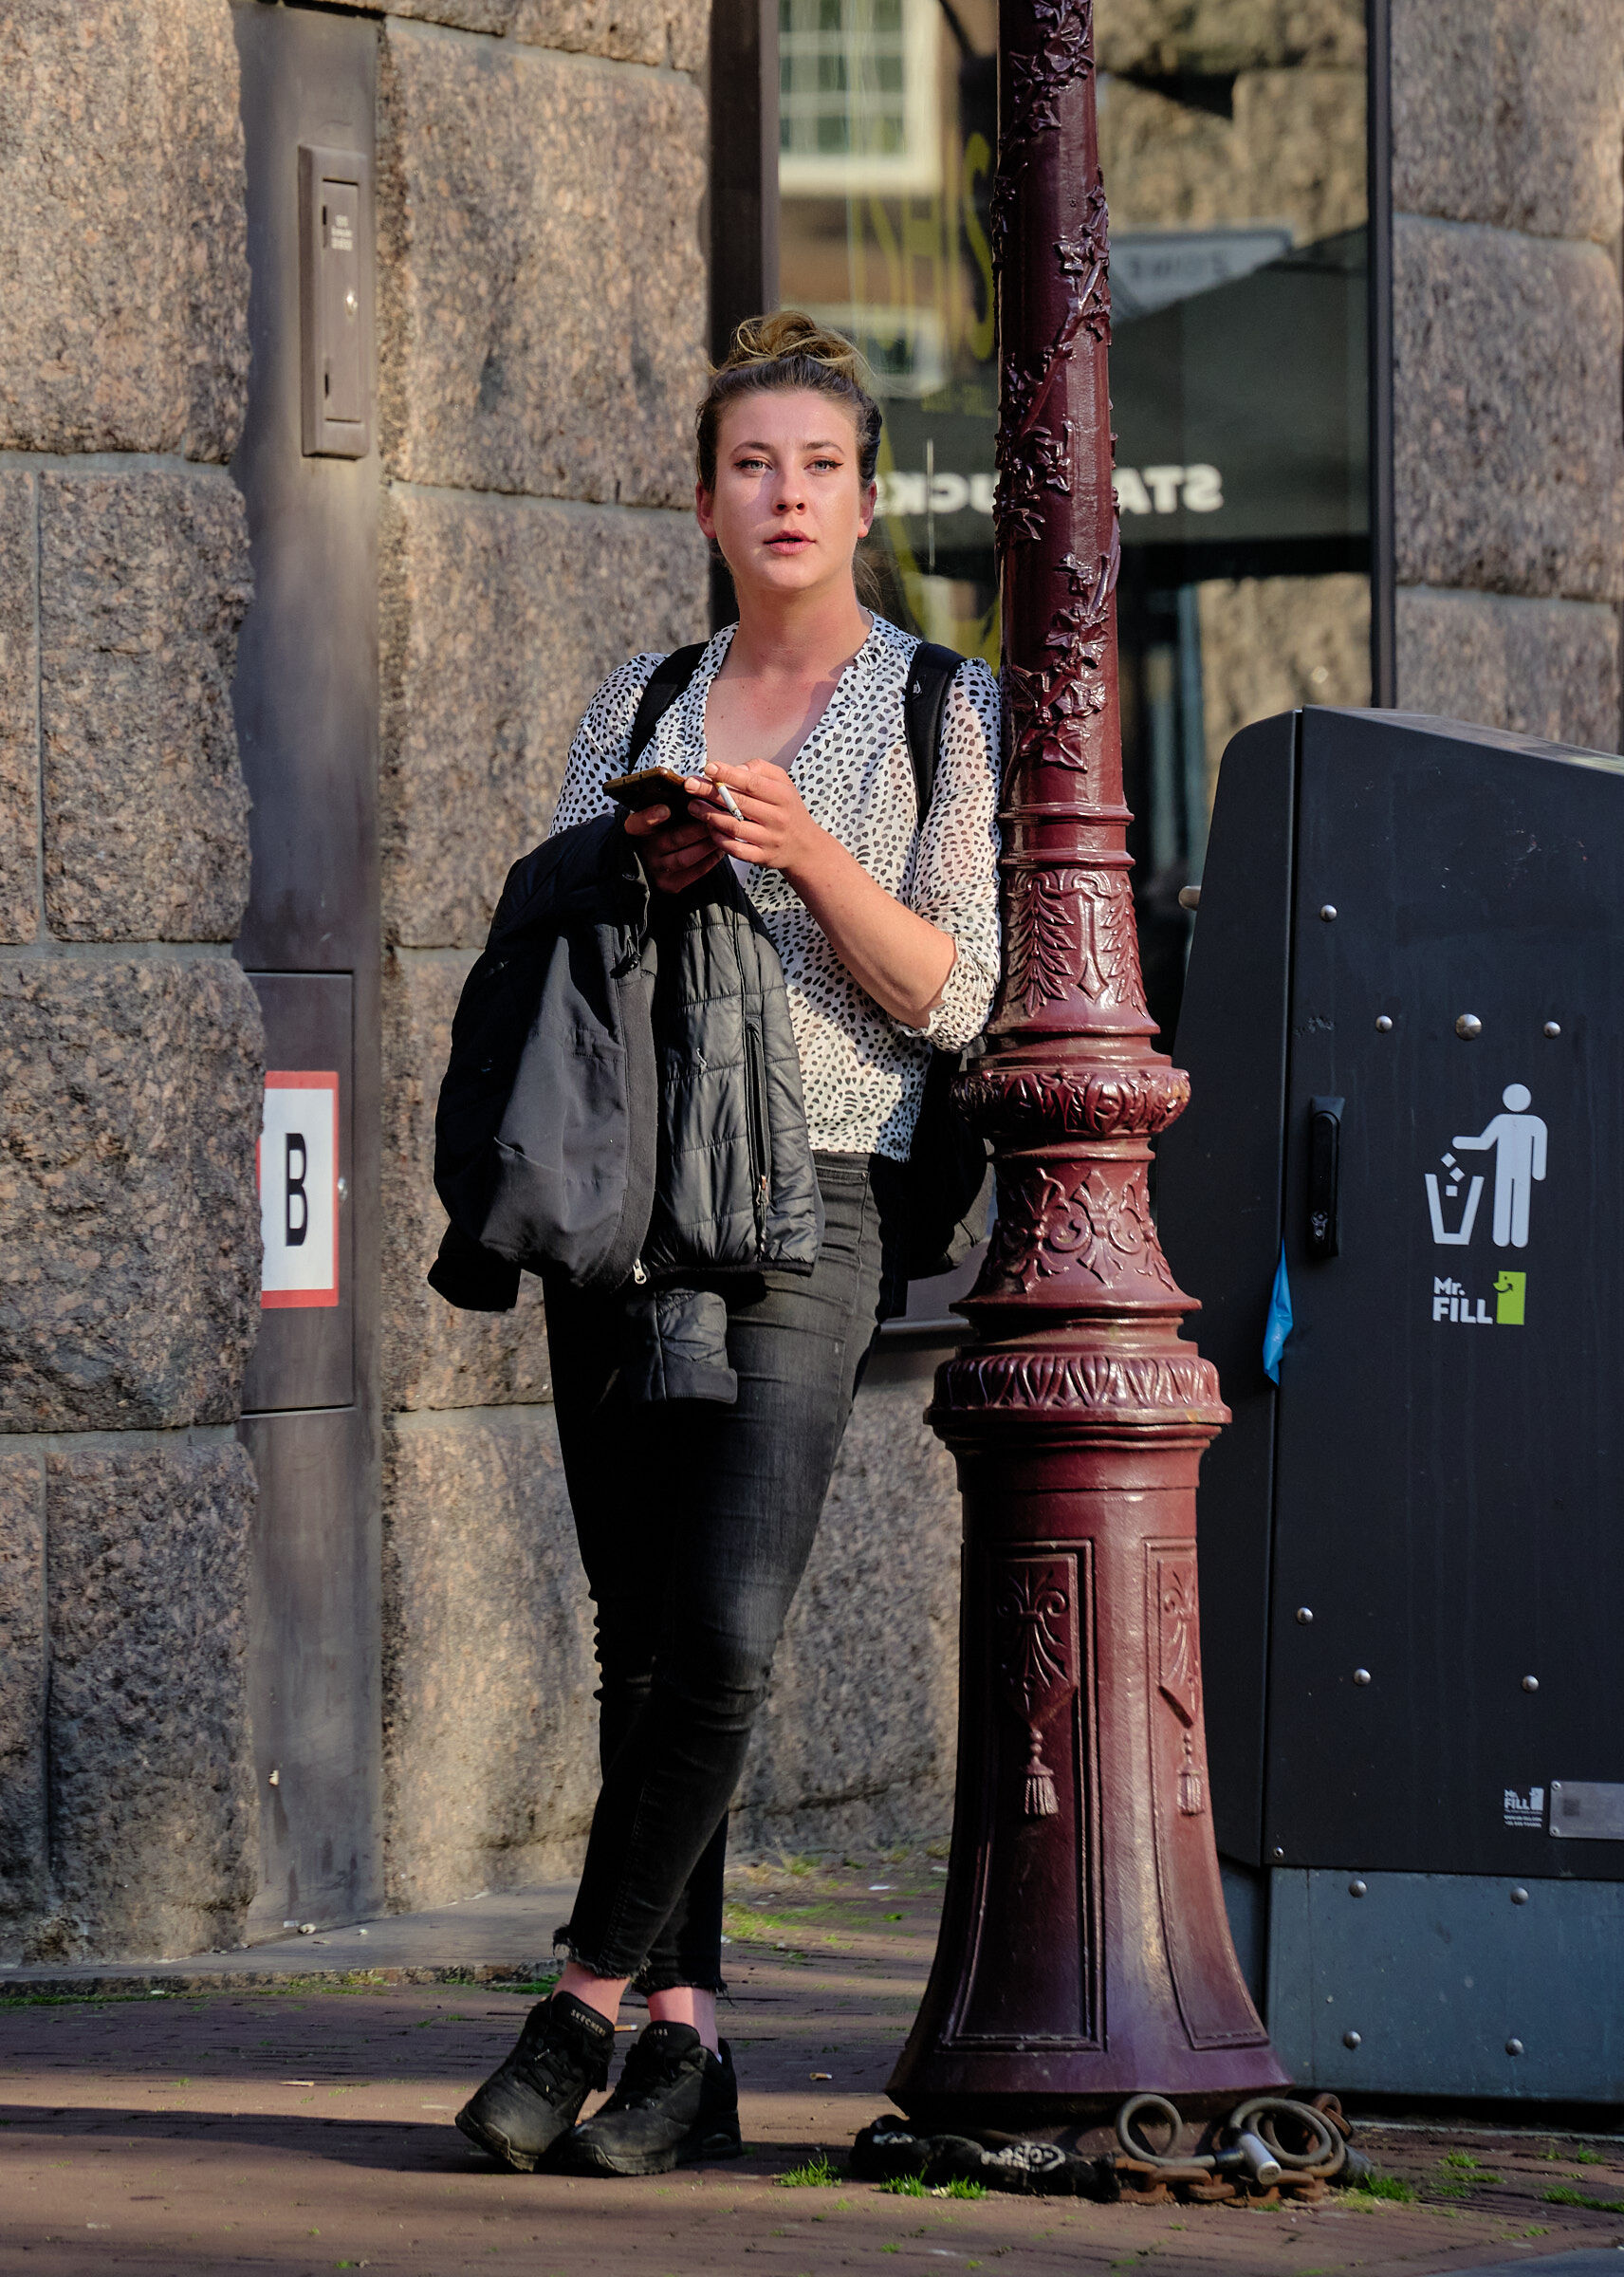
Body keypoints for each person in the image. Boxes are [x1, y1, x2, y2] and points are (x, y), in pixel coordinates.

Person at [456, 310, 1002, 2178]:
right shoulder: (639, 697)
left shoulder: (942, 709)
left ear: (864, 500)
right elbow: (545, 921)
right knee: (637, 1639)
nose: (785, 495)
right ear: (704, 501)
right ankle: (684, 2053)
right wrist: (646, 862)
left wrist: (806, 857)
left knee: (725, 1631)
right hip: (624, 1198)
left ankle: (577, 2003)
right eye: (751, 465)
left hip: (813, 1197)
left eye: (818, 467)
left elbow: (953, 994)